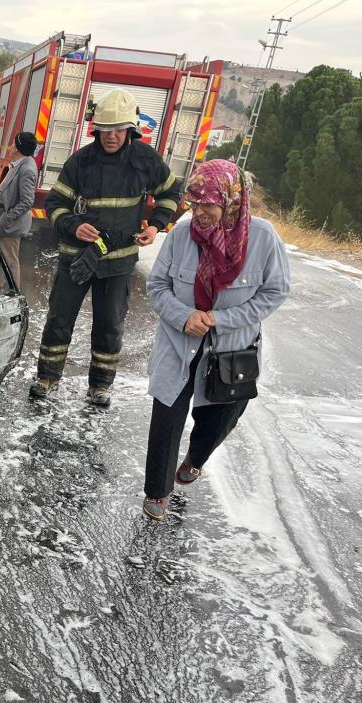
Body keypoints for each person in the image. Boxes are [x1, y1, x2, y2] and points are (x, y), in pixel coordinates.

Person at [142, 160, 290, 520]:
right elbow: (157, 286)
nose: (200, 212)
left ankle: (197, 457)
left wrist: (220, 320)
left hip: (231, 348)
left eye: (209, 204)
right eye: (195, 203)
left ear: (233, 200)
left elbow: (275, 291)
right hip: (180, 344)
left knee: (222, 416)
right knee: (167, 416)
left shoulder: (263, 238)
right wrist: (184, 316)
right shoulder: (180, 235)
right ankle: (157, 491)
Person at [31, 88, 183, 407]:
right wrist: (73, 225)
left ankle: (100, 385)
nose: (110, 137)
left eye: (117, 130)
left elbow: (171, 194)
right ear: (95, 130)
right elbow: (55, 204)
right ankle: (47, 376)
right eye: (104, 130)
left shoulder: (146, 161)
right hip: (77, 258)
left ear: (130, 130)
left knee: (109, 324)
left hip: (118, 262)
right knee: (60, 318)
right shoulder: (80, 162)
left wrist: (156, 225)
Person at [0, 132, 39, 290]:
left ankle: (14, 294)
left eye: (13, 143)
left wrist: (7, 218)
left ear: (18, 147)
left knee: (10, 259)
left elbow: (27, 201)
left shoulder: (27, 169)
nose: (11, 146)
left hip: (9, 221)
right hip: (2, 215)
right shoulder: (19, 163)